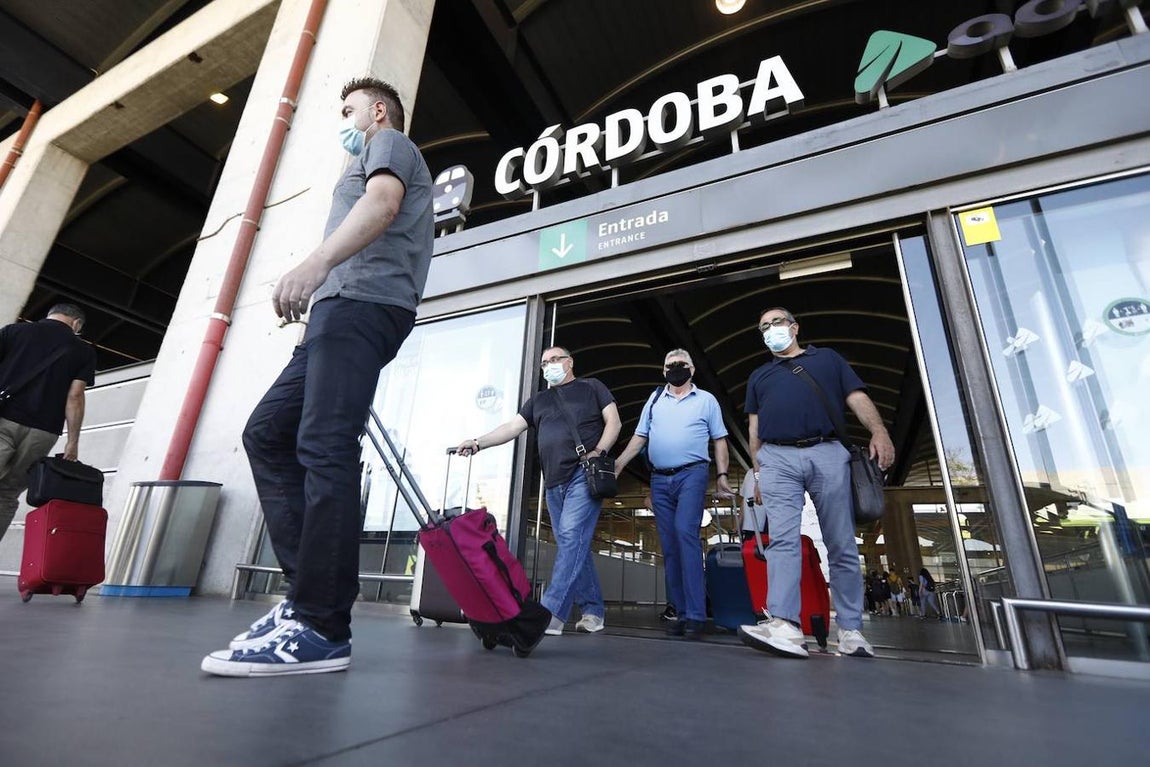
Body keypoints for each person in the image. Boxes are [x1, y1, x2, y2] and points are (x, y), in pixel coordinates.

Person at [201, 77, 434, 677]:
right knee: (269, 434)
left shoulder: (390, 144)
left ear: (377, 111)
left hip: (362, 305)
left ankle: (323, 625)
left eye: (348, 109)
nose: (344, 121)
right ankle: (310, 596)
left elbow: (381, 206)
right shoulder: (369, 154)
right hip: (337, 312)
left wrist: (315, 262)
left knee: (325, 443)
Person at [737, 307, 895, 659]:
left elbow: (856, 396)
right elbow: (754, 428)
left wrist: (878, 431)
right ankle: (784, 625)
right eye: (763, 326)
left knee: (841, 542)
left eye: (776, 323)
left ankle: (851, 630)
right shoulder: (759, 376)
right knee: (782, 543)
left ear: (794, 327)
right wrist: (758, 473)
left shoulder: (827, 359)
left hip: (827, 452)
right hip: (776, 459)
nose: (770, 329)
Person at [457, 346, 620, 636]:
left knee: (571, 538)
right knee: (573, 545)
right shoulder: (539, 400)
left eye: (554, 360)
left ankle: (549, 613)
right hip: (553, 484)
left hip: (583, 476)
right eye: (544, 362)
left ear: (569, 362)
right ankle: (593, 611)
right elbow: (511, 427)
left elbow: (614, 422)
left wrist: (598, 451)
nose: (548, 366)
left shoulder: (592, 387)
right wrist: (478, 442)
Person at [615, 349, 734, 639]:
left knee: (685, 534)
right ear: (663, 369)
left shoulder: (706, 400)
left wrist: (721, 476)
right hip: (660, 479)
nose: (676, 368)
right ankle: (680, 613)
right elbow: (640, 436)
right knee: (668, 546)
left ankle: (695, 614)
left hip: (692, 474)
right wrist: (618, 464)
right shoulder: (655, 400)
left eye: (682, 365)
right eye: (671, 365)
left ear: (692, 369)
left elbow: (719, 440)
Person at [0, 304, 96, 542]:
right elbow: (75, 396)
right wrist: (72, 442)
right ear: (76, 324)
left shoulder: (14, 332)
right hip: (42, 432)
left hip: (3, 419)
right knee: (8, 494)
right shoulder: (83, 351)